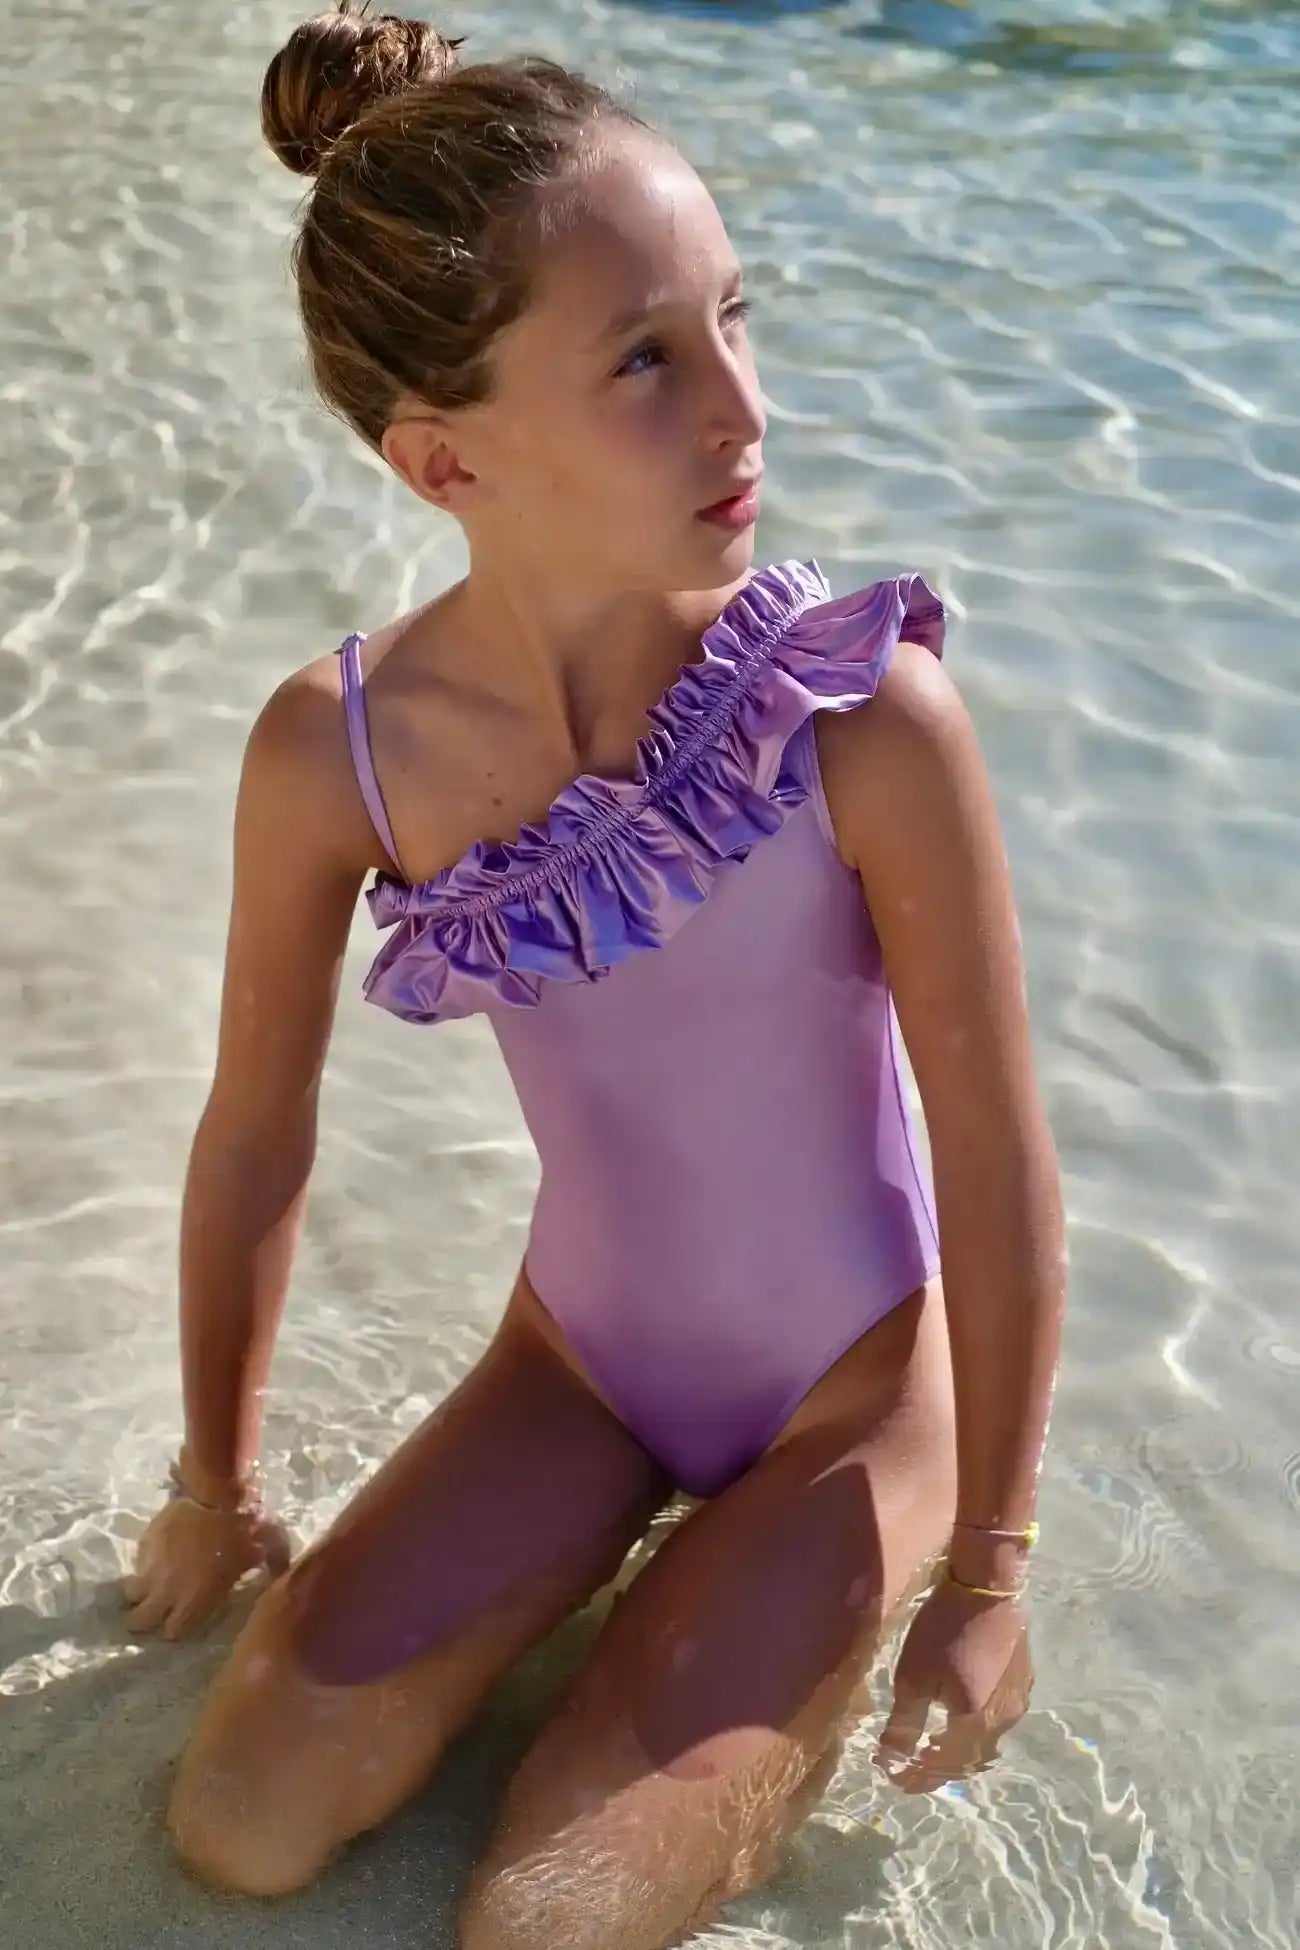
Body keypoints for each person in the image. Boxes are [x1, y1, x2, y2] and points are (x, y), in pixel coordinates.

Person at [123, 4, 1066, 1942]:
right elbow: (253, 1135)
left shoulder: (860, 718)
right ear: (438, 456)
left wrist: (984, 1571)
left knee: (541, 1922)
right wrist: (214, 1484)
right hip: (581, 1362)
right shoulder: (341, 754)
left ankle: (746, 1610)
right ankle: (638, 1595)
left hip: (857, 1396)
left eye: (736, 316)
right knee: (238, 1820)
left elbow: (991, 1156)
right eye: (646, 357)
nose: (740, 408)